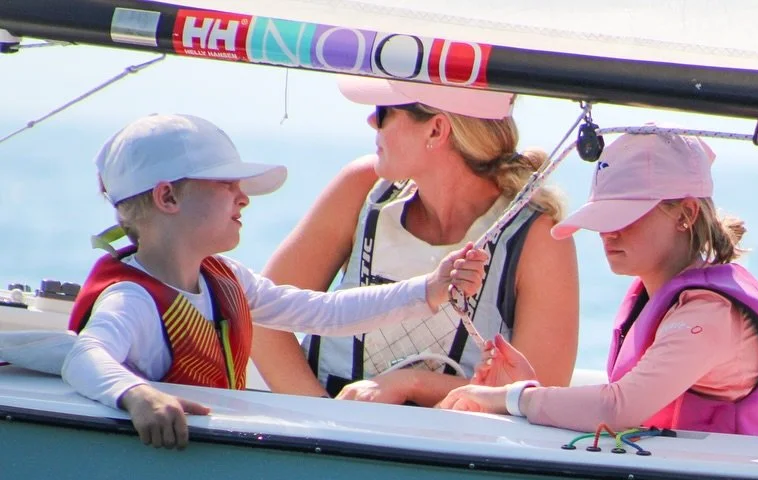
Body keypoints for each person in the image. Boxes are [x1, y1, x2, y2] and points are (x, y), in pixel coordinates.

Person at [64, 114, 487, 449]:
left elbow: (324, 312)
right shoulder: (131, 298)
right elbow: (85, 357)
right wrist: (138, 396)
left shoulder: (226, 280)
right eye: (226, 185)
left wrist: (429, 289)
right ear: (168, 198)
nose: (243, 197)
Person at [435, 128, 758, 438]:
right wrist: (531, 392)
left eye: (626, 217)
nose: (607, 233)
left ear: (685, 214)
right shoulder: (656, 297)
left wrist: (514, 398)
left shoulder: (711, 313)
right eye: (603, 217)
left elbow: (617, 408)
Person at [249, 77, 579, 404]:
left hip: (457, 452)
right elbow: (260, 316)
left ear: (436, 130)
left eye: (384, 112)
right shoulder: (362, 187)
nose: (370, 121)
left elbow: (540, 391)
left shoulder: (538, 233)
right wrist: (326, 418)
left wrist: (411, 384)